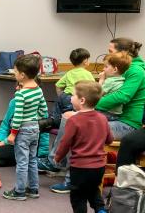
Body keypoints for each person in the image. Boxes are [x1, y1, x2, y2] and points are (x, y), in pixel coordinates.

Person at [39, 38, 145, 193]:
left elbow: (122, 97)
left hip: (126, 123)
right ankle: (57, 162)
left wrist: (91, 104)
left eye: (111, 51)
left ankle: (68, 176)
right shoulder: (125, 68)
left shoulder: (136, 71)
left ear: (123, 53)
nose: (108, 55)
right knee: (70, 117)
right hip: (113, 115)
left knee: (80, 126)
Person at [54, 81, 113, 213]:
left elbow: (65, 142)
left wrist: (58, 157)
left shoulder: (74, 120)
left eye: (73, 95)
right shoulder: (102, 118)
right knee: (93, 188)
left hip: (80, 166)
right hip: (99, 166)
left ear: (82, 100)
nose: (70, 97)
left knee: (78, 194)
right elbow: (109, 140)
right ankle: (101, 212)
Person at [3, 54, 47, 201]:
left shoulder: (21, 94)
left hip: (22, 130)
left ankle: (20, 191)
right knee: (32, 160)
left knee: (22, 161)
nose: (14, 74)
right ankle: (33, 188)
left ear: (22, 75)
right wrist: (35, 117)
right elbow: (43, 109)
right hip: (35, 128)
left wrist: (13, 134)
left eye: (15, 72)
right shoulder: (38, 89)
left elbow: (18, 116)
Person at [40, 48, 94, 131]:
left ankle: (49, 122)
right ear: (85, 61)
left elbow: (58, 85)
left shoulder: (69, 73)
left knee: (56, 115)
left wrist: (61, 95)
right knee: (70, 118)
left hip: (65, 95)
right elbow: (93, 88)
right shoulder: (88, 74)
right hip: (76, 98)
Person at [97, 52, 131, 120]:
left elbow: (97, 93)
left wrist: (101, 80)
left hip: (107, 113)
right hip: (116, 114)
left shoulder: (110, 81)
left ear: (115, 69)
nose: (103, 69)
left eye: (106, 66)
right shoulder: (121, 79)